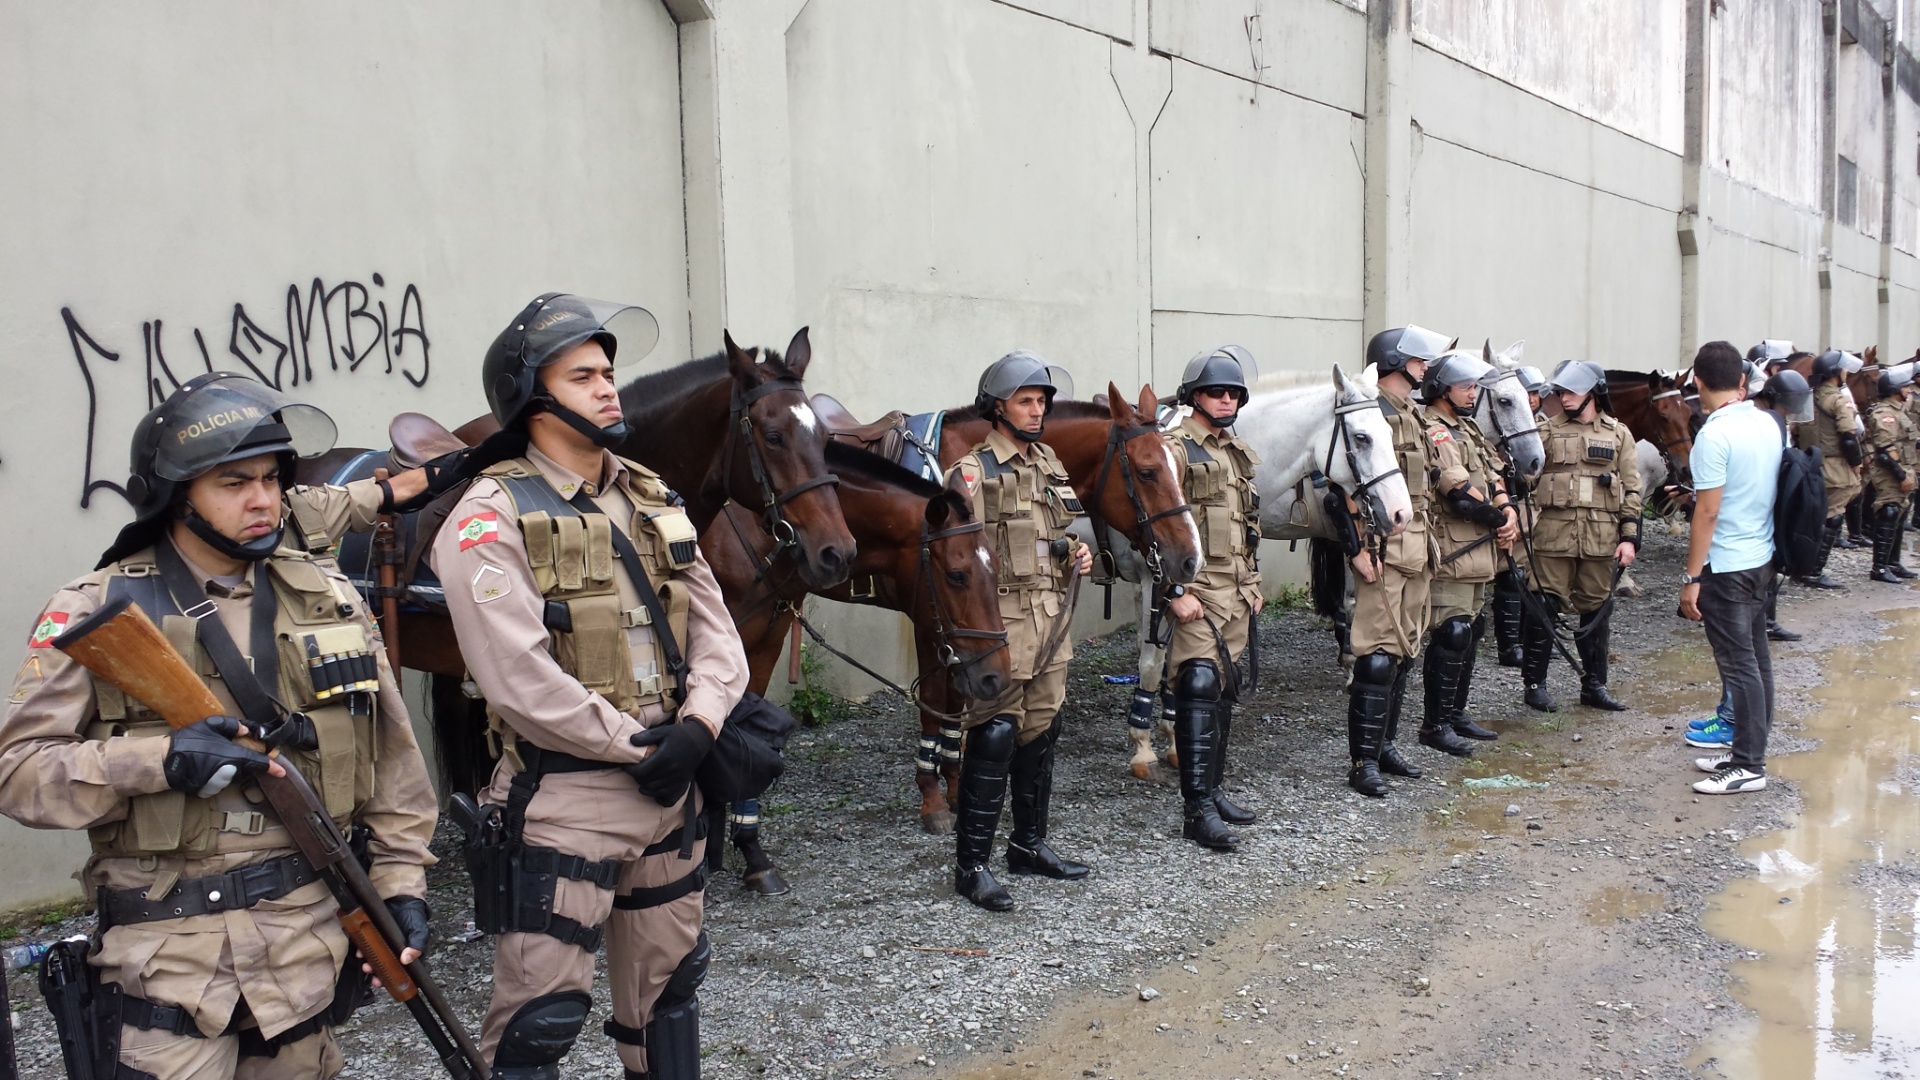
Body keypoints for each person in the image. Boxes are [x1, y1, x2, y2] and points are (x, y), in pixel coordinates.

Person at [0, 374, 438, 1078]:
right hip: (167, 965)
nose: (263, 500)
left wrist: (401, 884)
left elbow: (394, 766)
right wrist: (157, 761)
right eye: (233, 483)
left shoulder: (325, 598)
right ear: (178, 494)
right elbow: (18, 774)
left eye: (270, 478)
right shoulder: (98, 608)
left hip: (304, 954)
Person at [434, 294, 748, 1079]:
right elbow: (517, 679)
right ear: (532, 399)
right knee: (539, 1024)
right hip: (567, 799)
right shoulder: (490, 513)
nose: (610, 388)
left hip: (672, 788)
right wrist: (635, 743)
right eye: (584, 376)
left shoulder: (648, 493)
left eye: (609, 372)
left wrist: (699, 727)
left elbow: (717, 632)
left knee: (669, 1001)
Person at [947, 351, 1095, 908]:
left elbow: (1069, 531)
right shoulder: (971, 472)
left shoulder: (1049, 463)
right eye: (1026, 401)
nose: (1037, 411)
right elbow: (954, 560)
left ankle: (1028, 846)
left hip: (1052, 623)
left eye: (1042, 402)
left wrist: (1081, 554)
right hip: (1002, 627)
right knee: (994, 737)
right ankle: (972, 866)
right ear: (998, 406)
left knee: (1041, 733)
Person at [1159, 346, 1264, 851]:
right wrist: (1173, 591)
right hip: (1198, 591)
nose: (1226, 400)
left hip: (1237, 590)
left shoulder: (1233, 450)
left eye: (1233, 394)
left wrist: (1256, 580)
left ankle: (1213, 789)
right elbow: (1155, 530)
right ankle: (1195, 809)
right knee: (1198, 684)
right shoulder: (1175, 449)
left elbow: (1248, 523)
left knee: (1222, 689)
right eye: (1216, 393)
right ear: (1194, 396)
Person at [1345, 325, 1450, 797]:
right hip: (1382, 551)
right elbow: (1341, 494)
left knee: (1405, 650)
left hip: (1417, 547)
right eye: (1418, 360)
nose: (1426, 368)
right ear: (1394, 360)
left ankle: (1385, 743)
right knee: (1375, 656)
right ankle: (1362, 761)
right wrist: (1356, 550)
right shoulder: (1371, 412)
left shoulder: (1410, 412)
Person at [1679, 341, 1784, 794]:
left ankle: (1748, 766)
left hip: (1727, 566)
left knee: (1739, 665)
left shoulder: (1714, 434)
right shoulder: (1767, 422)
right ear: (1742, 382)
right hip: (1762, 555)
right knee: (1757, 658)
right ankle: (1747, 747)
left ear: (1697, 381)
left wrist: (1692, 577)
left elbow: (1707, 512)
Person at [1521, 360, 1641, 712]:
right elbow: (1523, 482)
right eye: (1560, 391)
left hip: (1600, 540)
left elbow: (1631, 491)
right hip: (1552, 539)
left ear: (1594, 392)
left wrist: (1629, 538)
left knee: (1597, 612)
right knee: (1543, 608)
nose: (1563, 397)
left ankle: (1594, 685)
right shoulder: (1544, 432)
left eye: (1571, 391)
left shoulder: (1619, 435)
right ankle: (1534, 684)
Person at [1419, 351, 1521, 756]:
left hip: (1479, 547)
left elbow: (1495, 474)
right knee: (1451, 631)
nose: (1472, 393)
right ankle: (1435, 724)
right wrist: (1502, 519)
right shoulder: (1435, 429)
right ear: (1442, 390)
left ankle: (1456, 713)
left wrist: (1507, 508)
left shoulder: (1469, 428)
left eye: (1475, 387)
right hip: (1452, 546)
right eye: (1466, 386)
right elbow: (1458, 490)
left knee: (1472, 631)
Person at [1491, 365, 1548, 667]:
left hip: (1530, 507)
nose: (1535, 398)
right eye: (1530, 393)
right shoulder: (1504, 424)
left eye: (1538, 393)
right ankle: (1508, 644)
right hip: (1509, 504)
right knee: (1509, 574)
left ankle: (1525, 638)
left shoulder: (1538, 426)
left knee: (1529, 577)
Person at [1794, 350, 1863, 589]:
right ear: (1835, 373)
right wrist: (1856, 463)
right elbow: (1848, 437)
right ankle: (1813, 571)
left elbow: (1795, 432)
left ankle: (1800, 567)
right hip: (1834, 466)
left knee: (1810, 518)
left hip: (1809, 464)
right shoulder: (1839, 399)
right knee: (1832, 517)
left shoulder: (1807, 398)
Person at [1864, 364, 1919, 583]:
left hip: (1906, 468)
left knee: (1900, 514)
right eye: (1905, 387)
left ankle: (1893, 562)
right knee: (1888, 512)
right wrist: (1901, 476)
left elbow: (1906, 440)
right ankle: (1879, 568)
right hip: (1890, 473)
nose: (1908, 390)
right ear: (1895, 389)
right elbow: (1886, 451)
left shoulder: (1898, 411)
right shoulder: (1886, 414)